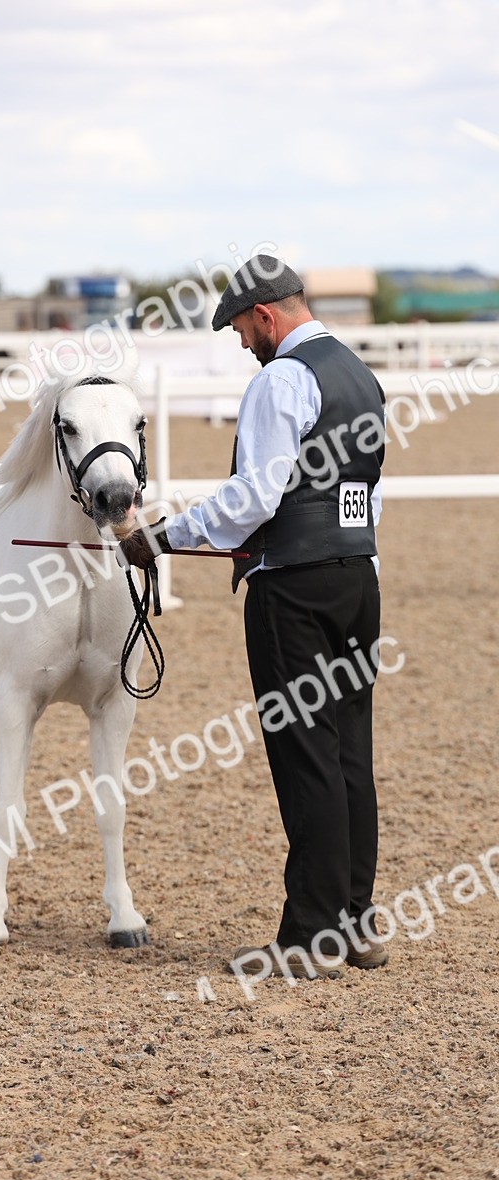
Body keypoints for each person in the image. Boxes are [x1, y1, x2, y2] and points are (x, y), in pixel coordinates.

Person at [120, 255, 387, 982]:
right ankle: (356, 921)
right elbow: (359, 494)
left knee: (306, 760)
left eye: (241, 329)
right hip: (358, 581)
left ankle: (308, 936)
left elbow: (255, 497)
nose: (242, 344)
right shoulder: (360, 376)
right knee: (349, 755)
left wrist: (165, 538)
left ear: (266, 316)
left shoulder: (280, 380)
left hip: (294, 591)